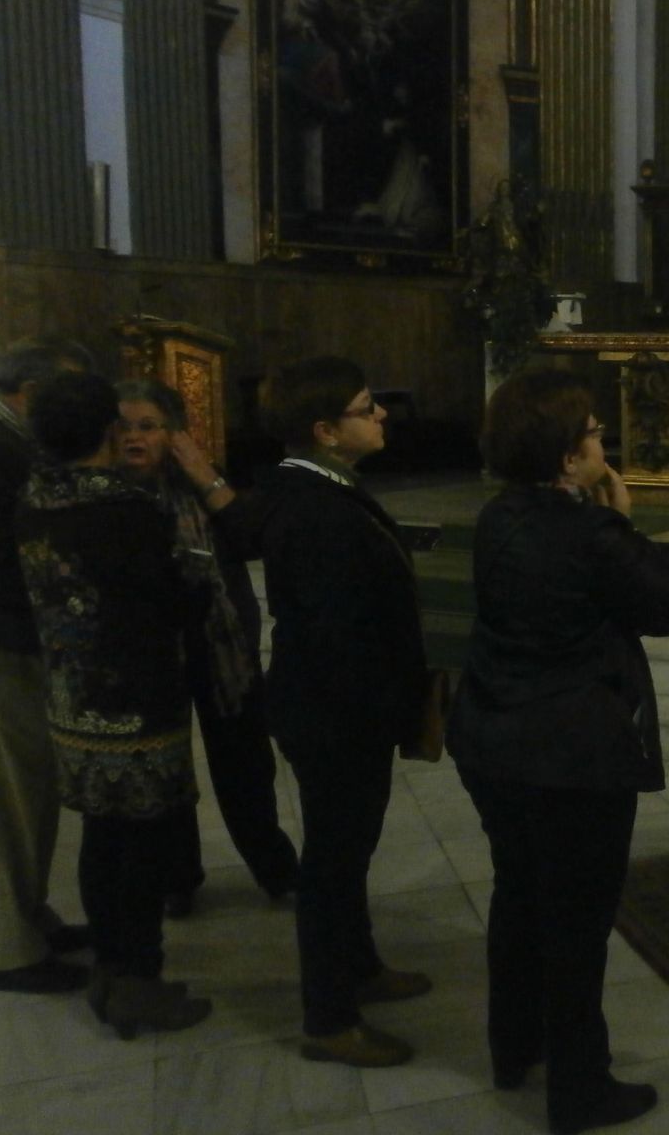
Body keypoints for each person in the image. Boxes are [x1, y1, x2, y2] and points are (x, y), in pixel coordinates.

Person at [447, 369, 669, 1135]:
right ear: (564, 459)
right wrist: (622, 521)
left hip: (493, 739)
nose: (602, 440)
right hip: (570, 757)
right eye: (590, 431)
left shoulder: (496, 517)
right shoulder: (590, 534)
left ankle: (512, 1047)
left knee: (518, 894)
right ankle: (580, 1090)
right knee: (576, 923)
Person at [14, 371, 211, 1036]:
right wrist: (196, 580)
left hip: (72, 699)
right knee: (145, 846)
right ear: (110, 430)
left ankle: (110, 967)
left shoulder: (34, 498)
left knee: (102, 838)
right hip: (135, 703)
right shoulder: (126, 508)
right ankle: (138, 981)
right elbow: (170, 602)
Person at [255, 355, 432, 1068]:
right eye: (367, 407)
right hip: (333, 714)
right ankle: (329, 1019)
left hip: (337, 708)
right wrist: (389, 708)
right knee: (331, 867)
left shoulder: (323, 488)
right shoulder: (317, 507)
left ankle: (360, 967)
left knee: (348, 853)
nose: (382, 414)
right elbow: (339, 634)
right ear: (327, 430)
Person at [115, 379, 299, 915]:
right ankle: (177, 877)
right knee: (166, 771)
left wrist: (203, 473)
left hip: (222, 650)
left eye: (147, 426)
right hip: (152, 654)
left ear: (174, 435)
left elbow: (250, 539)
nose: (133, 437)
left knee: (244, 765)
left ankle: (276, 870)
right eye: (123, 427)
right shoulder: (108, 495)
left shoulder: (204, 486)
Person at [0, 340, 94, 994]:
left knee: (29, 788)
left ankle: (30, 916)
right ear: (28, 395)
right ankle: (10, 947)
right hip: (3, 639)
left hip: (15, 636)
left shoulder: (11, 441)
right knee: (10, 796)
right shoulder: (4, 449)